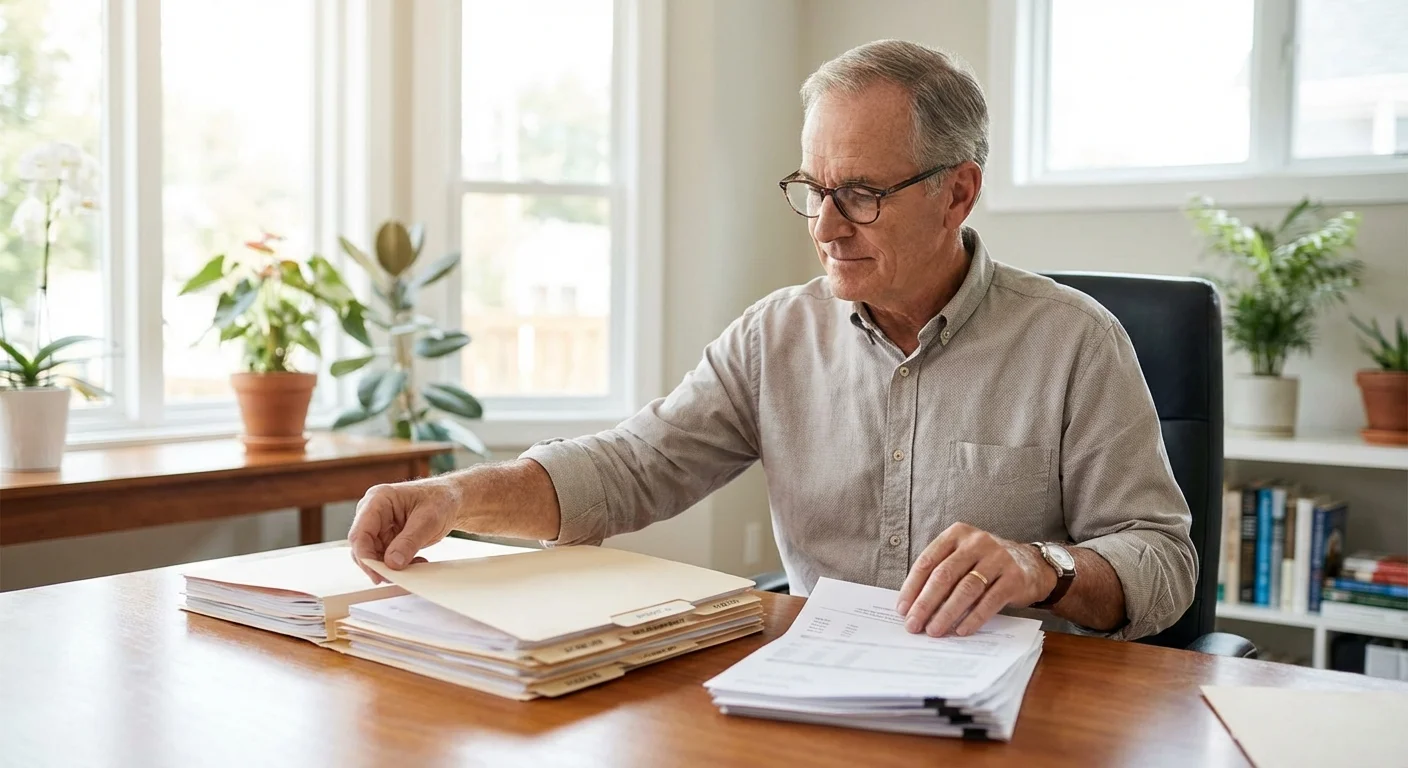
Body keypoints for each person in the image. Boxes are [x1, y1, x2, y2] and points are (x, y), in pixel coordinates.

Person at [349, 39, 1196, 641]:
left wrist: (1041, 566)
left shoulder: (1074, 344)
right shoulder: (775, 336)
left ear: (958, 193)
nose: (825, 226)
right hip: (815, 696)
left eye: (860, 193)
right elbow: (631, 466)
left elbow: (1162, 564)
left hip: (1023, 712)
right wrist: (458, 500)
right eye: (812, 188)